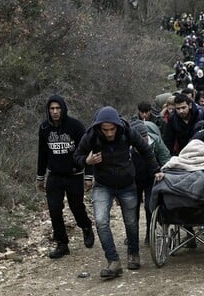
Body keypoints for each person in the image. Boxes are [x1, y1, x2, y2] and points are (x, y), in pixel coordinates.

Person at [74, 106, 164, 279]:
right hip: (103, 184)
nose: (108, 133)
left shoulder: (127, 131)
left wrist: (156, 170)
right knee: (101, 221)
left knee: (131, 221)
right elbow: (76, 156)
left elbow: (145, 150)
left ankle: (133, 253)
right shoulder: (91, 135)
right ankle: (113, 261)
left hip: (126, 183)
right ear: (99, 127)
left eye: (112, 129)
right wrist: (87, 160)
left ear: (117, 126)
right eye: (105, 129)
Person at [36, 94, 94, 259]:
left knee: (77, 208)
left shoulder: (75, 126)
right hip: (54, 175)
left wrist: (89, 175)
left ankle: (86, 226)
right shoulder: (44, 128)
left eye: (58, 108)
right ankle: (62, 243)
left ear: (63, 109)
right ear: (48, 110)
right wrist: (40, 177)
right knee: (54, 210)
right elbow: (42, 153)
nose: (55, 112)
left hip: (74, 174)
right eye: (52, 108)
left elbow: (87, 150)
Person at [130, 120, 171, 244]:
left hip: (151, 178)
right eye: (140, 137)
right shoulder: (127, 144)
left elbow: (165, 158)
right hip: (133, 179)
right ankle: (133, 234)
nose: (143, 140)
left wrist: (164, 172)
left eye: (145, 136)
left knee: (149, 205)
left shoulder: (156, 141)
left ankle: (150, 232)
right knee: (132, 207)